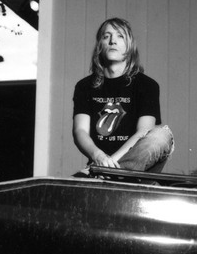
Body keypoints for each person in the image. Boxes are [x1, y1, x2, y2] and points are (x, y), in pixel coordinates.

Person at [72, 17, 174, 174]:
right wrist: (98, 156)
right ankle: (108, 175)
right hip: (100, 161)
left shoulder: (147, 85)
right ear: (99, 45)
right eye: (106, 36)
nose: (113, 41)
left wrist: (108, 166)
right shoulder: (84, 86)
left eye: (120, 36)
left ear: (130, 45)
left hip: (133, 166)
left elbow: (143, 131)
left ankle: (107, 175)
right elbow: (80, 131)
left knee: (161, 135)